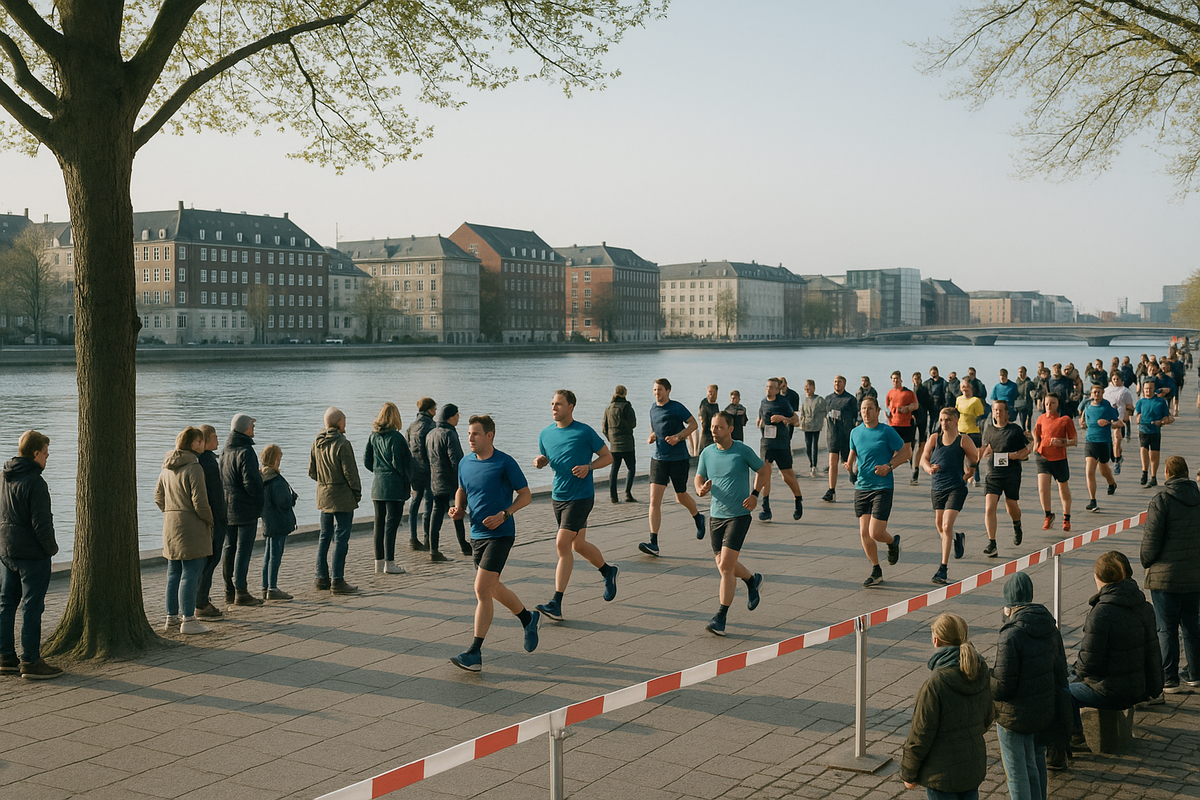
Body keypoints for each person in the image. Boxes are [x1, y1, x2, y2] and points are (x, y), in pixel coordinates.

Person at [448, 415, 539, 672]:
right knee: (493, 587)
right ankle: (528, 618)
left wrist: (505, 514)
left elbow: (526, 495)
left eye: (475, 434)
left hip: (501, 535)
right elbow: (462, 489)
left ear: (489, 436)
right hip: (476, 535)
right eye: (469, 434)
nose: (470, 439)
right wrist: (459, 508)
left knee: (481, 589)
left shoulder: (504, 462)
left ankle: (474, 653)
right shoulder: (465, 463)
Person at [533, 389, 618, 622]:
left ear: (570, 407)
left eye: (558, 404)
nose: (554, 407)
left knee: (563, 544)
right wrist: (540, 462)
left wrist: (588, 467)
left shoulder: (584, 431)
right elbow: (549, 458)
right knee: (578, 544)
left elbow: (608, 457)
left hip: (581, 497)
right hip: (558, 497)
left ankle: (556, 603)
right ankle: (608, 571)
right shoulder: (545, 434)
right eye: (552, 403)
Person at [1066, 552, 1162, 754]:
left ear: (1099, 578)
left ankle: (1075, 737)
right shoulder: (1144, 606)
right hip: (1140, 687)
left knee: (1062, 690)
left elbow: (1089, 664)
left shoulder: (1101, 612)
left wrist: (1072, 673)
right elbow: (1153, 653)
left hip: (1112, 691)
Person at [992, 573, 1070, 800]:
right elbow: (1060, 671)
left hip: (1015, 717)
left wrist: (986, 677)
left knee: (1017, 773)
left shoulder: (1011, 635)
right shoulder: (1049, 626)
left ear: (1009, 606)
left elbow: (1002, 687)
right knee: (1036, 763)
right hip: (1043, 710)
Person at [900, 613, 994, 799]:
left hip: (940, 775)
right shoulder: (980, 670)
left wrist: (908, 773)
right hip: (971, 769)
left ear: (936, 641)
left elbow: (920, 734)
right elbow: (988, 717)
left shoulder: (935, 684)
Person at [696, 411, 769, 637]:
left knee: (726, 567)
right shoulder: (707, 453)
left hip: (739, 515)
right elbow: (699, 476)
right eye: (712, 427)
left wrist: (755, 494)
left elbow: (764, 469)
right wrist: (700, 489)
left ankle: (721, 617)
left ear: (730, 429)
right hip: (716, 516)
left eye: (718, 427)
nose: (714, 431)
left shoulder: (742, 450)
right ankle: (751, 579)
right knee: (723, 565)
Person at [0, 431, 62, 679]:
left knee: (6, 604)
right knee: (31, 607)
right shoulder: (36, 482)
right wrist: (51, 549)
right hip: (32, 555)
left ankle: (5, 657)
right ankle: (30, 661)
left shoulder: (5, 476)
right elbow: (41, 524)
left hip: (6, 550)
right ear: (36, 453)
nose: (47, 459)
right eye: (46, 454)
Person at [1140, 456, 1200, 694]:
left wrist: (1147, 561)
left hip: (1165, 577)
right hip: (1195, 576)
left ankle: (1169, 678)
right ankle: (1195, 674)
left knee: (1166, 628)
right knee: (1192, 624)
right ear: (1186, 473)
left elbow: (1151, 543)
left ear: (1166, 473)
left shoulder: (1161, 500)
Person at [155, 427, 214, 635]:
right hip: (192, 527)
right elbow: (200, 502)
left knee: (173, 572)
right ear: (193, 444)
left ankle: (171, 617)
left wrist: (171, 512)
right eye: (200, 441)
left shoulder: (166, 467)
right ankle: (188, 619)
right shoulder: (194, 467)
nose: (203, 444)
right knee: (191, 571)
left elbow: (158, 497)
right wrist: (210, 520)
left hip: (171, 526)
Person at [847, 396, 909, 588]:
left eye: (870, 408)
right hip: (862, 487)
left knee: (876, 532)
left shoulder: (886, 431)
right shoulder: (855, 432)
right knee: (864, 532)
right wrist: (849, 465)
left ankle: (892, 542)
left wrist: (889, 466)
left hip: (882, 486)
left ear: (877, 410)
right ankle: (876, 570)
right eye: (864, 409)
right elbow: (854, 452)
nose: (866, 412)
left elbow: (906, 453)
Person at [640, 378, 705, 556]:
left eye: (660, 390)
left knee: (680, 496)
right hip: (658, 459)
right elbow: (654, 429)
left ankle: (698, 517)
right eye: (654, 390)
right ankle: (653, 542)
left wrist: (678, 436)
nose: (656, 393)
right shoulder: (652, 409)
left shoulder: (677, 407)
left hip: (678, 459)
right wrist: (651, 436)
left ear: (668, 391)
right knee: (654, 500)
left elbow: (693, 424)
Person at [920, 407, 978, 586]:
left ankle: (942, 569)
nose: (944, 423)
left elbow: (974, 457)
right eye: (941, 420)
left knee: (946, 525)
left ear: (956, 420)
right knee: (940, 526)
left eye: (947, 420)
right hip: (937, 487)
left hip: (956, 487)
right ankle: (956, 538)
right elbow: (924, 458)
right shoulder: (934, 438)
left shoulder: (963, 439)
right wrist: (928, 468)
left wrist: (969, 473)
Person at [309, 406, 362, 594]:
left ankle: (320, 577)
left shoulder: (317, 441)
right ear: (339, 422)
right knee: (341, 538)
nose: (345, 423)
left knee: (324, 536)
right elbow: (350, 472)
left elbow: (312, 471)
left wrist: (325, 483)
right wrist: (356, 492)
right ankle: (338, 580)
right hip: (342, 496)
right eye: (344, 420)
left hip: (323, 495)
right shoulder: (342, 443)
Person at [220, 413, 264, 607]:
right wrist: (259, 498)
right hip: (245, 508)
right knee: (243, 550)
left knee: (229, 548)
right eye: (251, 426)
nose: (253, 428)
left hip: (227, 507)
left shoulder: (224, 451)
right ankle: (241, 591)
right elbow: (251, 483)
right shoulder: (245, 451)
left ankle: (228, 590)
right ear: (244, 429)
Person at [365, 401, 411, 574]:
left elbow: (367, 461)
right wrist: (407, 478)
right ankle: (390, 563)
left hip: (377, 485)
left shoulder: (373, 436)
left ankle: (378, 562)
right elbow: (400, 463)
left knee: (379, 523)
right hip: (394, 486)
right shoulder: (397, 438)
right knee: (391, 524)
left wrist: (378, 471)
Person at [981, 400, 1032, 557]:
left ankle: (1017, 524)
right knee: (989, 507)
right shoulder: (988, 429)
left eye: (1001, 410)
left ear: (1007, 413)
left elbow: (1026, 449)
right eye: (995, 410)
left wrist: (1016, 456)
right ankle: (992, 543)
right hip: (993, 473)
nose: (998, 413)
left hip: (1011, 473)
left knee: (1011, 506)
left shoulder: (1015, 430)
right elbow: (985, 450)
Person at [756, 377, 803, 523]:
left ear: (777, 389)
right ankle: (765, 507)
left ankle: (798, 500)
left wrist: (783, 418)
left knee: (787, 475)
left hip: (782, 444)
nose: (769, 389)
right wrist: (761, 424)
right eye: (767, 386)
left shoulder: (783, 402)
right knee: (764, 473)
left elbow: (796, 420)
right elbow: (760, 420)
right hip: (767, 444)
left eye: (772, 387)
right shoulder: (763, 402)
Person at [427, 403, 469, 560]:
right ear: (451, 417)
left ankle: (433, 549)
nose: (458, 418)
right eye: (457, 415)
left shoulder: (431, 434)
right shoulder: (449, 434)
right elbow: (456, 460)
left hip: (435, 482)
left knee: (436, 514)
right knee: (457, 512)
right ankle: (463, 546)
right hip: (451, 482)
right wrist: (462, 481)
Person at [194, 424, 227, 619]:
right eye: (215, 437)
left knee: (206, 560)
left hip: (209, 518)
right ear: (205, 441)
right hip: (215, 518)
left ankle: (200, 598)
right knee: (211, 559)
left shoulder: (200, 461)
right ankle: (201, 601)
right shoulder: (208, 463)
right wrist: (218, 518)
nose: (218, 441)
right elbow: (214, 495)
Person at [1032, 393, 1075, 532]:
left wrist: (1062, 442)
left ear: (1058, 404)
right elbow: (1036, 432)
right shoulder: (1040, 418)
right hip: (1042, 457)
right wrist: (1036, 442)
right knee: (1042, 488)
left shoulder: (1065, 420)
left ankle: (1066, 517)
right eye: (1047, 403)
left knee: (1063, 489)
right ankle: (1048, 515)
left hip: (1059, 459)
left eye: (1052, 403)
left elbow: (1074, 441)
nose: (1049, 405)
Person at [260, 443, 297, 600]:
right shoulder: (276, 480)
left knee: (268, 555)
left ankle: (265, 586)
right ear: (276, 459)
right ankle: (273, 588)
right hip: (279, 521)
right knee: (276, 555)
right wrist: (292, 499)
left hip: (268, 521)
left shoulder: (261, 477)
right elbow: (283, 503)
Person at [1079, 384, 1119, 513]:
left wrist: (1109, 423)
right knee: (1089, 471)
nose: (1096, 394)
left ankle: (1111, 482)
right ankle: (1092, 500)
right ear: (1091, 394)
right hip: (1090, 441)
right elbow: (1085, 422)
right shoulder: (1088, 406)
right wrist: (1083, 424)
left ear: (1102, 393)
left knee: (1103, 470)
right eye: (1094, 392)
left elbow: (1119, 422)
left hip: (1104, 442)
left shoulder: (1107, 406)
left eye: (1098, 392)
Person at [405, 397, 438, 551]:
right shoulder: (432, 426)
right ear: (429, 410)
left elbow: (406, 449)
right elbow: (435, 450)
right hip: (429, 471)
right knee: (429, 505)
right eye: (435, 409)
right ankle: (427, 538)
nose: (436, 411)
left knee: (415, 503)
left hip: (414, 471)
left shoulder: (411, 427)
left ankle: (412, 537)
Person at [823, 375, 858, 503]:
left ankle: (852, 474)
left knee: (847, 463)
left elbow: (856, 417)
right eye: (835, 382)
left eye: (840, 382)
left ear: (844, 384)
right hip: (833, 435)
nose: (837, 384)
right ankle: (831, 490)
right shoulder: (828, 399)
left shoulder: (850, 399)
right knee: (833, 463)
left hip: (846, 436)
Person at [602, 385, 638, 503]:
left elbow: (604, 428)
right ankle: (628, 493)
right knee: (631, 469)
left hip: (614, 446)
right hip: (627, 444)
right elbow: (633, 423)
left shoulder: (608, 408)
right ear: (625, 393)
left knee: (614, 471)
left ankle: (613, 496)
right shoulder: (627, 407)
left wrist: (611, 439)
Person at [1134, 379, 1173, 488]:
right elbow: (1138, 413)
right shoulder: (1140, 402)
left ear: (1154, 389)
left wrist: (1161, 422)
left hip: (1155, 431)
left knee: (1154, 455)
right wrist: (1138, 419)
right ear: (1143, 389)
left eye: (1150, 388)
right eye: (1146, 388)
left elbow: (1166, 416)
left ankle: (1153, 477)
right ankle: (1144, 472)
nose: (1148, 390)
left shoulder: (1160, 402)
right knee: (1143, 451)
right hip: (1143, 429)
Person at [885, 371, 920, 487]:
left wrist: (908, 408)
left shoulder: (908, 393)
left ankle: (912, 466)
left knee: (907, 448)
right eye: (893, 379)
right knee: (892, 448)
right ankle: (889, 466)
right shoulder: (890, 392)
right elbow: (887, 405)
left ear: (901, 380)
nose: (895, 381)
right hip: (893, 424)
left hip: (906, 424)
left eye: (897, 379)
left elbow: (916, 405)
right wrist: (887, 414)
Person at [1103, 372, 1136, 475]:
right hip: (1108, 417)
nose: (1116, 381)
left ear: (1121, 380)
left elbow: (1129, 406)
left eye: (1118, 379)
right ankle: (1119, 456)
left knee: (1117, 438)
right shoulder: (1106, 391)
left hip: (1119, 417)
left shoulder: (1125, 391)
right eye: (1114, 379)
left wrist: (1128, 415)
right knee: (1113, 441)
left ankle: (1117, 461)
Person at [955, 381, 985, 488]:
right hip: (960, 430)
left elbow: (981, 417)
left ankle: (976, 477)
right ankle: (963, 478)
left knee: (972, 456)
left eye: (966, 386)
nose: (964, 388)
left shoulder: (976, 401)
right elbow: (956, 414)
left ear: (971, 388)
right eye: (962, 386)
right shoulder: (958, 399)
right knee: (961, 457)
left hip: (973, 431)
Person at [798, 379, 828, 478]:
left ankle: (814, 466)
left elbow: (825, 411)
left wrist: (821, 421)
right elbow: (802, 413)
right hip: (806, 426)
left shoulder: (819, 400)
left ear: (813, 388)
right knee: (808, 446)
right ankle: (811, 463)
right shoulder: (805, 400)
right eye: (806, 387)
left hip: (816, 426)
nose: (807, 388)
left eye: (809, 386)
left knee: (814, 445)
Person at [911, 371, 934, 468]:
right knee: (912, 440)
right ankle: (912, 458)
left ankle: (921, 458)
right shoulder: (911, 391)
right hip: (913, 417)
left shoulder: (924, 389)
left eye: (918, 378)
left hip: (922, 416)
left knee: (922, 440)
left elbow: (929, 402)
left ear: (921, 379)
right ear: (913, 380)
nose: (917, 380)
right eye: (915, 379)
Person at [691, 384, 721, 456]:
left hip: (713, 431)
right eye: (709, 392)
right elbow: (701, 417)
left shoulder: (716, 405)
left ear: (716, 393)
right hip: (706, 431)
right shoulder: (705, 404)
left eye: (712, 392)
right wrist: (701, 419)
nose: (710, 393)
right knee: (704, 450)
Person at [1014, 366, 1035, 433]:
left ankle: (1029, 432)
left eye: (1022, 371)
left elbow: (1034, 391)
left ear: (1025, 372)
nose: (1021, 373)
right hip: (1020, 404)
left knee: (1029, 419)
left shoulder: (1029, 383)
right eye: (1020, 372)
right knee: (1022, 420)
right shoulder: (1016, 384)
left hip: (1028, 403)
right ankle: (1023, 432)